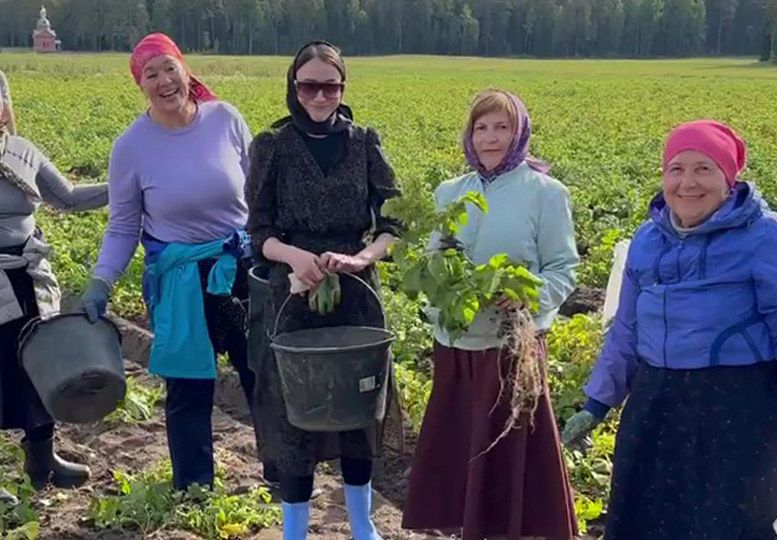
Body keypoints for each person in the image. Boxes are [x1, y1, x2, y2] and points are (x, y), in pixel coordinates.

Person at [563, 120, 777, 540]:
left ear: (728, 177)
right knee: (643, 512)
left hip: (735, 405)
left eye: (703, 169)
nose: (687, 183)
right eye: (676, 169)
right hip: (656, 397)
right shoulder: (647, 238)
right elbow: (626, 329)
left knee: (725, 520)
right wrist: (597, 403)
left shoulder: (763, 238)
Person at [80, 33, 263, 492]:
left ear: (186, 69)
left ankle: (282, 474)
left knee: (262, 374)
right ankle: (195, 487)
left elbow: (260, 195)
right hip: (181, 278)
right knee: (188, 387)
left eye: (169, 68)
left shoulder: (226, 119)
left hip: (237, 267)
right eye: (150, 74)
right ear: (140, 85)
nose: (163, 81)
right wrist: (102, 281)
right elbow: (123, 225)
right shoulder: (132, 146)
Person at [402, 89, 579, 540]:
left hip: (511, 350)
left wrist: (527, 296)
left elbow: (564, 268)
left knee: (509, 454)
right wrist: (442, 294)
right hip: (458, 348)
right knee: (462, 449)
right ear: (469, 135)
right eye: (481, 127)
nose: (490, 137)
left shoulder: (546, 193)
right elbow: (431, 264)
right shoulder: (450, 193)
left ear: (520, 132)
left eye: (502, 127)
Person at [245, 40, 402, 540]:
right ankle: (295, 529)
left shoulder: (364, 143)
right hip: (291, 293)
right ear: (294, 87)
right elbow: (258, 232)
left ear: (342, 87)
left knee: (359, 407)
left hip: (355, 294)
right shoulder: (272, 146)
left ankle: (362, 524)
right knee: (295, 411)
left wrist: (361, 259)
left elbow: (393, 222)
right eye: (309, 85)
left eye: (330, 86)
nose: (320, 95)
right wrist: (294, 257)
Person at [0, 66, 106, 503]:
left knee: (37, 370)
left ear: (2, 107)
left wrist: (132, 187)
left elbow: (69, 198)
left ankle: (42, 460)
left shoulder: (21, 151)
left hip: (24, 277)